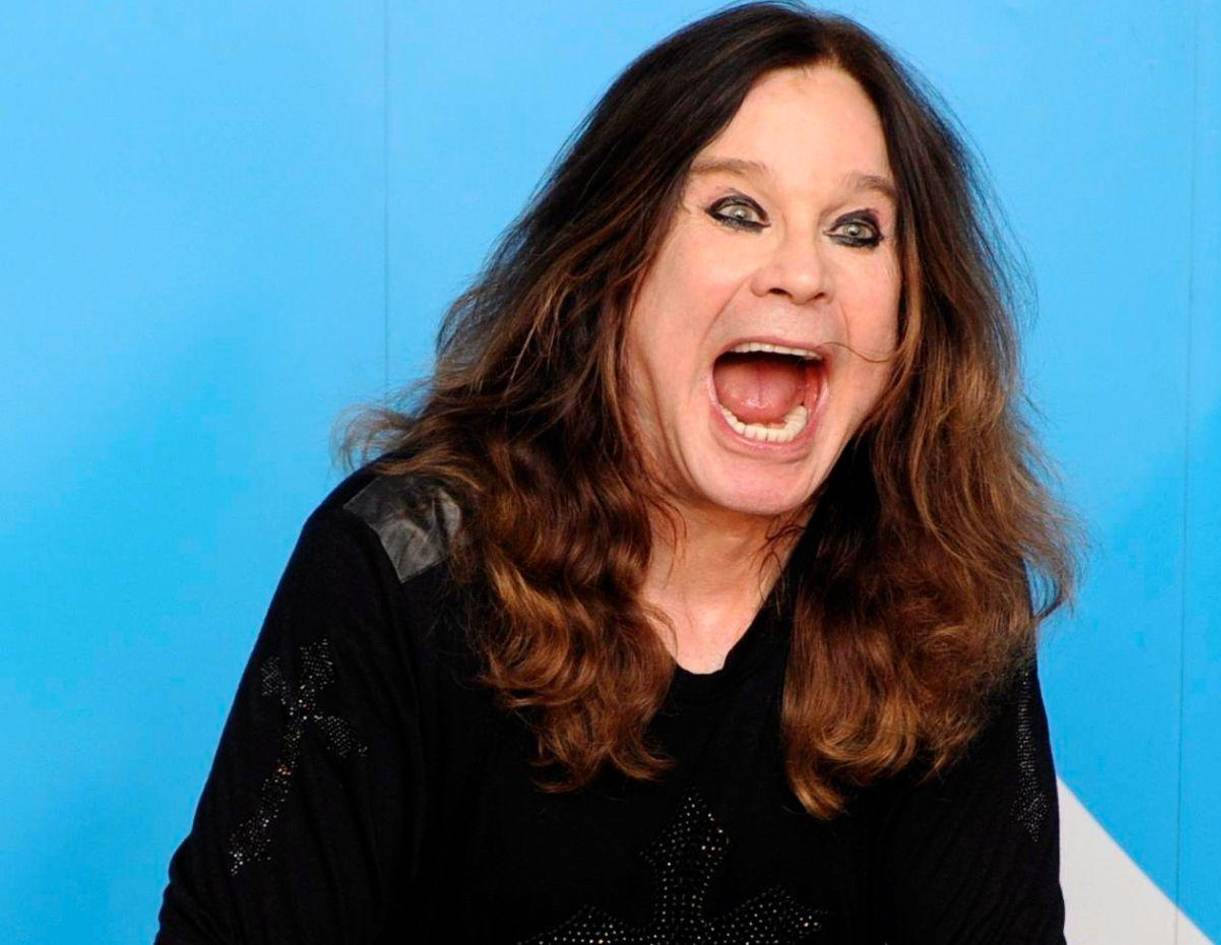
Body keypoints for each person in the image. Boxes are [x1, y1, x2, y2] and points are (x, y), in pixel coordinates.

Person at [155, 2, 1084, 942]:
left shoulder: (943, 596)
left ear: (911, 311)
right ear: (614, 266)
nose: (802, 273)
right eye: (738, 211)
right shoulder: (401, 565)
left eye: (856, 229)